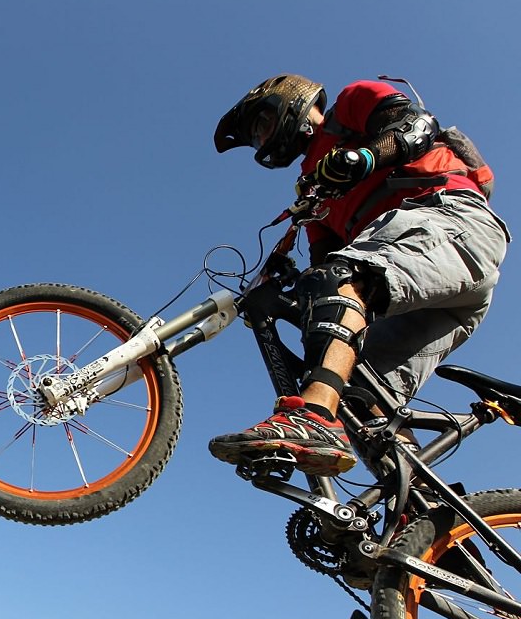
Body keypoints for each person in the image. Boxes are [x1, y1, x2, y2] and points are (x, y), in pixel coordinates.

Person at [208, 74, 510, 476]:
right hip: (421, 282)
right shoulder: (312, 189)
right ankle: (423, 520)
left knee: (342, 277)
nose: (263, 140)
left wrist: (363, 157)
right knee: (360, 396)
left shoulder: (354, 100)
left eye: (261, 126)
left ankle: (312, 417)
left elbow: (418, 127)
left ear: (289, 102)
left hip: (453, 223)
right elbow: (323, 267)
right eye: (257, 139)